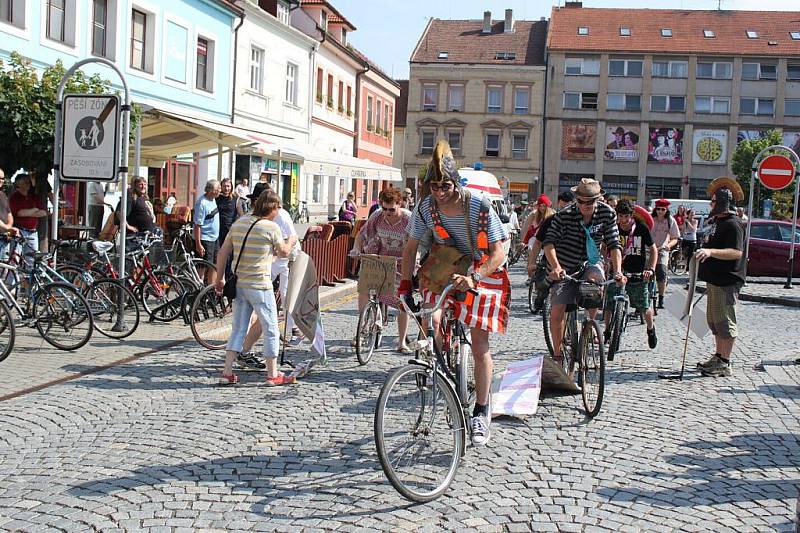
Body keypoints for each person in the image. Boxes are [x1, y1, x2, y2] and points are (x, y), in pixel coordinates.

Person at [399, 140, 509, 447]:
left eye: (444, 185)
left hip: (482, 266)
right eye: (433, 186)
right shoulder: (425, 207)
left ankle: (482, 410)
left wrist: (475, 276)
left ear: (455, 183)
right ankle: (441, 364)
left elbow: (499, 252)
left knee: (479, 342)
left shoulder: (479, 205)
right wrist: (406, 286)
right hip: (445, 261)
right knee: (430, 318)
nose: (439, 191)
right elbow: (409, 249)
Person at [214, 190, 298, 386]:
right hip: (260, 285)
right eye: (278, 208)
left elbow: (223, 252)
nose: (278, 212)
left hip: (240, 283)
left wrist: (219, 279)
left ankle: (227, 372)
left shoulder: (240, 223)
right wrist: (292, 239)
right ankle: (273, 374)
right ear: (273, 208)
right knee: (270, 327)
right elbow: (284, 252)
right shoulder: (270, 227)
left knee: (238, 328)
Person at [542, 178, 624, 365]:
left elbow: (613, 243)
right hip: (565, 264)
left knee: (596, 282)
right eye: (581, 201)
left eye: (590, 201)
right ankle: (557, 354)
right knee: (557, 311)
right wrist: (556, 267)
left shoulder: (607, 213)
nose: (585, 205)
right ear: (576, 199)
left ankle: (589, 325)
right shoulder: (564, 214)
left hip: (590, 261)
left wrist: (618, 271)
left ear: (598, 199)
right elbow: (549, 243)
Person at [352, 188, 412, 352]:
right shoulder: (377, 216)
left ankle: (401, 342)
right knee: (364, 290)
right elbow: (361, 235)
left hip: (401, 262)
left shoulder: (408, 220)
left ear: (400, 204)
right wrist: (357, 249)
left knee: (402, 302)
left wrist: (415, 259)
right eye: (384, 208)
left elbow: (417, 244)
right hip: (380, 259)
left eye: (391, 209)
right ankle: (363, 328)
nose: (387, 213)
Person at [696, 187, 745, 378]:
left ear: (723, 203)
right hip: (714, 280)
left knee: (725, 322)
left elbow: (736, 252)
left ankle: (725, 362)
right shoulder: (718, 222)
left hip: (727, 280)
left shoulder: (733, 224)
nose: (711, 204)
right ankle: (718, 356)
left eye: (714, 202)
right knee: (714, 322)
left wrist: (710, 252)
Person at [603, 200, 658, 350]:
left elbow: (653, 250)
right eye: (620, 216)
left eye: (626, 216)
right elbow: (604, 246)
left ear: (631, 215)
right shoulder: (613, 228)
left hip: (638, 273)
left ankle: (650, 329)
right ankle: (607, 330)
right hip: (618, 272)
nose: (623, 220)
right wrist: (606, 261)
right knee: (608, 303)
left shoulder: (641, 228)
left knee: (644, 307)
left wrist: (651, 269)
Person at [651, 199, 680, 309]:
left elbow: (675, 238)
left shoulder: (670, 220)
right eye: (658, 209)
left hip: (662, 249)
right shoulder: (650, 218)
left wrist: (669, 245)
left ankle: (661, 298)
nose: (660, 211)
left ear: (666, 210)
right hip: (649, 248)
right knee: (643, 272)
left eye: (662, 209)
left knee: (661, 273)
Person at [9, 173, 46, 254]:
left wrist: (28, 212)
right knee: (16, 257)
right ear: (18, 184)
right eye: (25, 182)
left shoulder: (34, 197)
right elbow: (19, 213)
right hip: (20, 231)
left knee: (31, 260)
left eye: (28, 181)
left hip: (33, 233)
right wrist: (35, 209)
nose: (28, 183)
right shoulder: (14, 197)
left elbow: (43, 212)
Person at [193, 179, 221, 274]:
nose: (220, 191)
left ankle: (211, 288)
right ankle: (200, 287)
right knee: (203, 266)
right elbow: (197, 225)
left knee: (213, 266)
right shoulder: (201, 203)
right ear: (210, 190)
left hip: (214, 239)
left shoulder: (213, 200)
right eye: (218, 188)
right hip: (205, 239)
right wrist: (198, 244)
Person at [28, 172, 53, 251]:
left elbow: (50, 195)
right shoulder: (25, 181)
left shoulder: (43, 181)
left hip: (40, 211)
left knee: (42, 235)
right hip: (28, 212)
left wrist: (56, 207)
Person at [0, 169, 19, 260]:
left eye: (2, 178)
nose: (1, 180)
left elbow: (9, 213)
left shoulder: (3, 195)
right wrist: (8, 228)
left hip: (4, 237)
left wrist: (9, 227)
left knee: (4, 271)